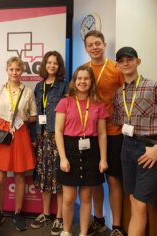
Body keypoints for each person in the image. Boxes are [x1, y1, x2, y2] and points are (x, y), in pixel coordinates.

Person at [113, 47, 157, 236]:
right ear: (117, 65)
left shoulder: (155, 87)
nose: (125, 63)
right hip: (127, 148)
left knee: (140, 205)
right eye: (121, 60)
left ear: (138, 61)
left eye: (129, 59)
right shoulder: (118, 94)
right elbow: (119, 124)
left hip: (150, 148)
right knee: (134, 202)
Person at [0, 56, 37, 231]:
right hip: (2, 133)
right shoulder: (0, 89)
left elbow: (34, 116)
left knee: (20, 176)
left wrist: (23, 119)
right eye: (11, 69)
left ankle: (18, 212)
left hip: (20, 133)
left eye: (18, 69)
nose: (14, 72)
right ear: (7, 70)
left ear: (22, 71)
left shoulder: (27, 91)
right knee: (0, 178)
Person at [55, 66, 108, 236]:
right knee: (69, 198)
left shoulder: (98, 104)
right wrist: (62, 158)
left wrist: (103, 159)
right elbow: (58, 131)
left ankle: (83, 233)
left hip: (91, 152)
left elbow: (102, 134)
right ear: (74, 81)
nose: (82, 82)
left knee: (86, 198)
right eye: (79, 78)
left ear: (91, 82)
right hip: (69, 150)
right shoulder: (65, 102)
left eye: (86, 78)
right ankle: (66, 231)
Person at [83, 30, 125, 236]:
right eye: (90, 45)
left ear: (104, 44)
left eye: (98, 43)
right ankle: (98, 219)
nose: (94, 47)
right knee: (94, 180)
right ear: (86, 48)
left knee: (114, 180)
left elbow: (127, 98)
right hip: (90, 133)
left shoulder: (116, 69)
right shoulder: (83, 70)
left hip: (113, 132)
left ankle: (116, 226)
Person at [31, 51, 68, 235]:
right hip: (42, 137)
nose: (52, 66)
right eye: (49, 63)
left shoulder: (63, 87)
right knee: (44, 178)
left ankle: (60, 217)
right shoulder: (38, 87)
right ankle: (46, 213)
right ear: (44, 65)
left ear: (59, 66)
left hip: (57, 137)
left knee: (59, 178)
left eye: (55, 63)